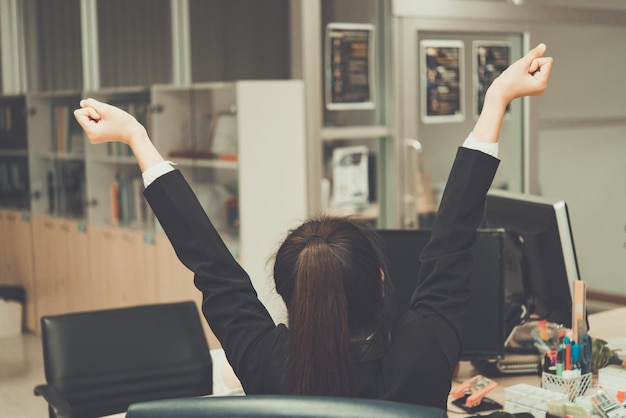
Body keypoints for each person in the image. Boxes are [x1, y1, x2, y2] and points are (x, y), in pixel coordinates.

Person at [74, 43, 553, 410]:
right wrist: (496, 102)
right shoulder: (423, 352)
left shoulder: (265, 360)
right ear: (382, 281)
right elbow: (453, 239)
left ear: (289, 294)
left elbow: (212, 266)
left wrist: (137, 137)